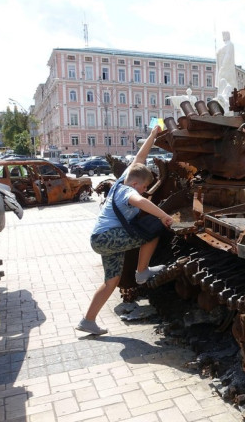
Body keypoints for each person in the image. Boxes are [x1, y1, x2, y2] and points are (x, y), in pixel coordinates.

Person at [76, 124, 174, 335]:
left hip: (100, 239)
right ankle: (141, 272)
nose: (146, 191)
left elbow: (139, 158)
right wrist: (164, 216)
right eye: (145, 187)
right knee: (154, 229)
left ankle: (88, 321)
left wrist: (153, 135)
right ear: (137, 183)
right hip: (108, 237)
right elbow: (139, 201)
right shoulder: (127, 191)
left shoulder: (122, 181)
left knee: (111, 281)